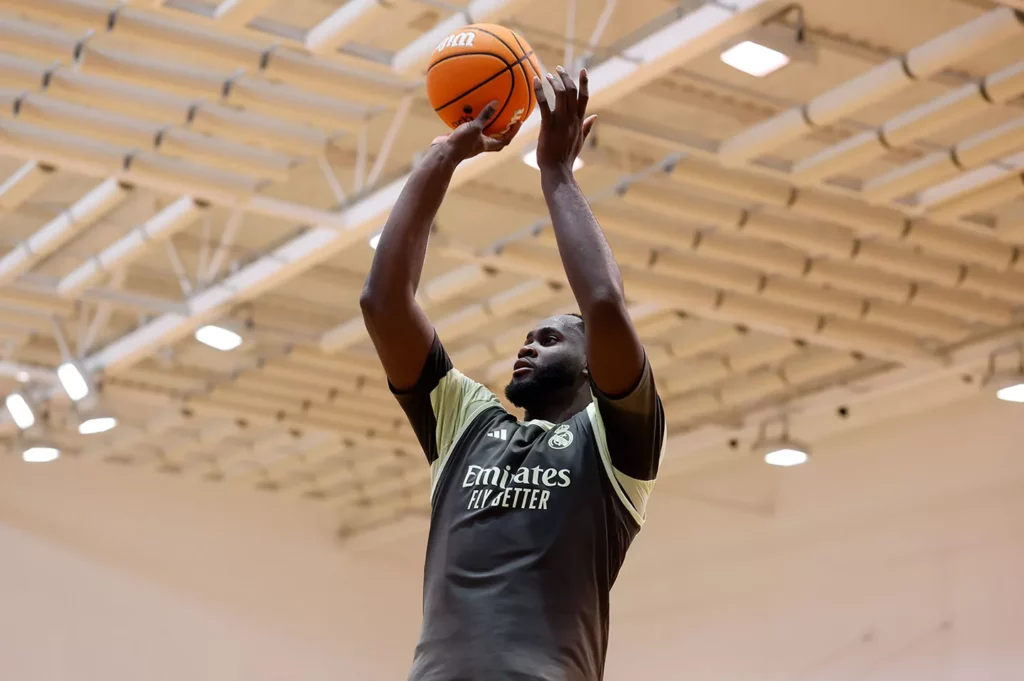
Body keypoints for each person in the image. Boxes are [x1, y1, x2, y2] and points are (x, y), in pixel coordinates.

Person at [360, 66, 665, 681]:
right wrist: (443, 157)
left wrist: (556, 173)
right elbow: (384, 303)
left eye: (549, 338)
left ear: (589, 362)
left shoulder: (615, 442)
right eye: (528, 337)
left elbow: (603, 305)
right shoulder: (467, 425)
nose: (528, 346)